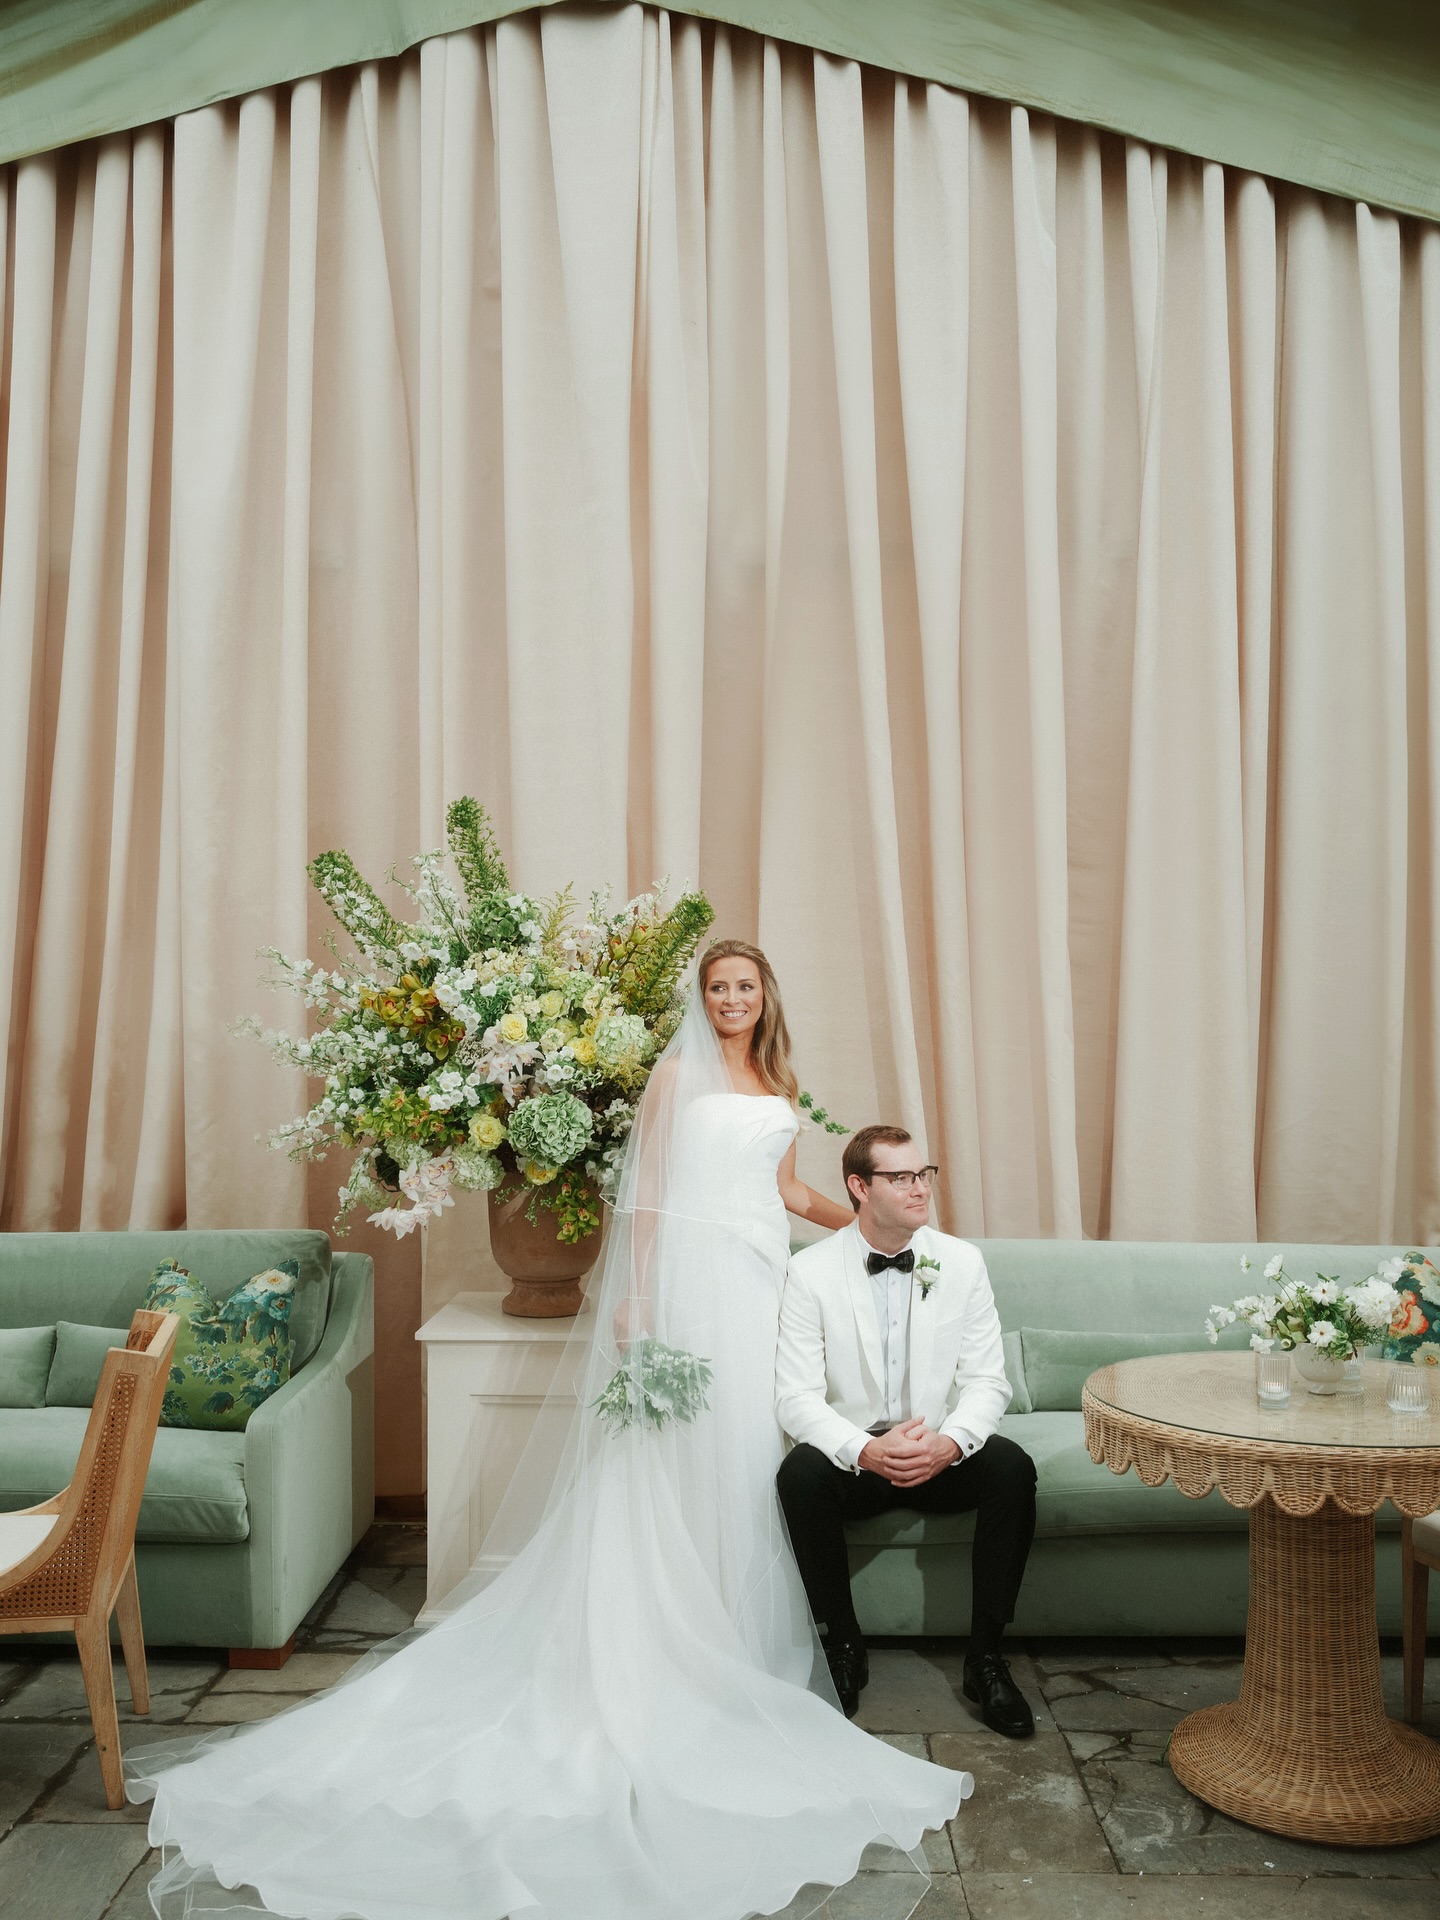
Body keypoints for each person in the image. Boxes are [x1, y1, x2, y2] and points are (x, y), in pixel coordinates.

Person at [124, 940, 971, 1920]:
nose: (733, 1000)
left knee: (744, 1459)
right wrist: (636, 1298)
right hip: (688, 1286)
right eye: (718, 987)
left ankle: (734, 1639)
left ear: (766, 997)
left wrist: (868, 1225)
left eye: (745, 987)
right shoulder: (670, 1075)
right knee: (666, 1455)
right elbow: (645, 1193)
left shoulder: (776, 1077)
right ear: (701, 1000)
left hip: (756, 1283)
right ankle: (656, 1645)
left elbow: (783, 1193)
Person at [775, 1125, 1038, 1736]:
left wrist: (950, 1444)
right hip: (858, 1460)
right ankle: (842, 1646)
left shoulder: (962, 1262)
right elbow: (794, 1396)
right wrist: (864, 1449)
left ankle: (986, 1659)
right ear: (859, 1187)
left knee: (1011, 1466)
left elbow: (986, 1381)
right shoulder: (809, 1272)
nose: (919, 1189)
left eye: (923, 1174)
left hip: (936, 1452)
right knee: (799, 1473)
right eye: (900, 1178)